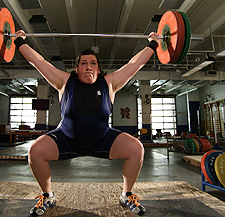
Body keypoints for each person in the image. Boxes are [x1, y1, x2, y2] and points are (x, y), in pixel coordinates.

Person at [14, 30, 159, 216]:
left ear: (99, 69)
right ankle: (48, 195)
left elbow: (135, 64)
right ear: (77, 69)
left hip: (103, 140)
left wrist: (153, 44)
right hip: (66, 139)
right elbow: (39, 63)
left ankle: (126, 195)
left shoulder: (109, 84)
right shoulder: (64, 82)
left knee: (136, 149)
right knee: (35, 152)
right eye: (83, 63)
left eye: (93, 64)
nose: (88, 67)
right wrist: (19, 42)